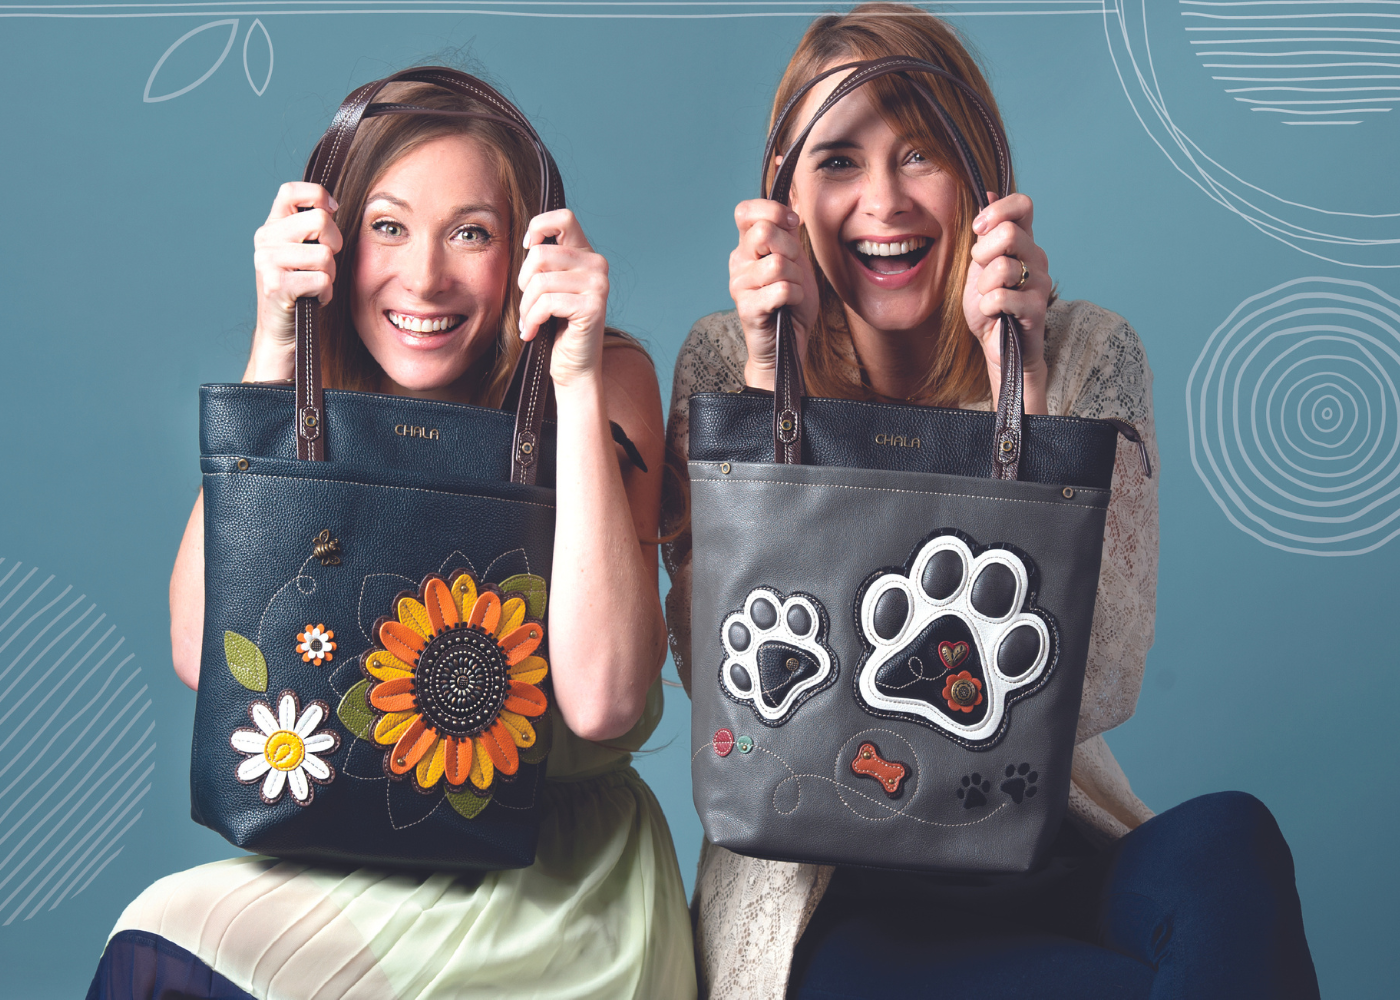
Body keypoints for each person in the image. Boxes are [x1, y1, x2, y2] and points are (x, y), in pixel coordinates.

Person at [660, 6, 1319, 998]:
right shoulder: (728, 363)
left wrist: (1032, 399)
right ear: (785, 198)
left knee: (1230, 836)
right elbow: (729, 698)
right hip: (838, 895)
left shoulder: (1090, 350)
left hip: (1040, 842)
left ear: (980, 183)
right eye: (838, 160)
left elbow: (1099, 683)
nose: (883, 200)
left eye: (920, 153)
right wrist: (769, 380)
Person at [87, 76, 696, 999]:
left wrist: (569, 382)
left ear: (525, 248)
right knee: (163, 940)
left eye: (471, 232)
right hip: (365, 867)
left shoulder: (604, 378)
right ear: (336, 239)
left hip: (563, 895)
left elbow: (606, 699)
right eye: (388, 227)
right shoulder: (321, 389)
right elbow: (199, 653)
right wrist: (273, 350)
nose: (424, 277)